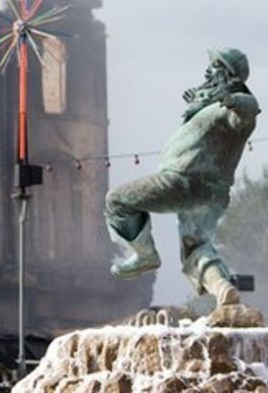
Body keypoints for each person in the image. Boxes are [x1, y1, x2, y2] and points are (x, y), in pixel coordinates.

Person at [104, 48, 260, 306]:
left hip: (183, 181)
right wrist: (200, 104)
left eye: (214, 67)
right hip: (211, 193)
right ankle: (223, 290)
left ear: (228, 75)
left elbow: (249, 111)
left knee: (117, 200)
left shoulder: (230, 108)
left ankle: (144, 255)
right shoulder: (210, 107)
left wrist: (232, 99)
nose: (208, 72)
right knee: (196, 247)